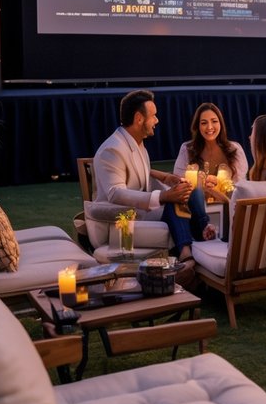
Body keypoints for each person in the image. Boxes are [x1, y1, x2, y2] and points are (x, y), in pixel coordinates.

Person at [91, 90, 216, 284]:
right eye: (154, 115)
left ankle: (193, 245)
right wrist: (164, 196)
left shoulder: (137, 144)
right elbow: (115, 193)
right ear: (139, 118)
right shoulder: (112, 149)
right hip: (122, 220)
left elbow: (143, 178)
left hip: (140, 211)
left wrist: (170, 181)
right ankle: (191, 253)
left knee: (186, 189)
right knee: (172, 202)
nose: (157, 120)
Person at [173, 102, 249, 204]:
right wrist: (202, 187)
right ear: (197, 126)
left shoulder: (234, 150)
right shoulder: (187, 149)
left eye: (214, 121)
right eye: (204, 123)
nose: (209, 127)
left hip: (228, 205)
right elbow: (179, 183)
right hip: (194, 207)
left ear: (220, 124)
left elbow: (240, 188)